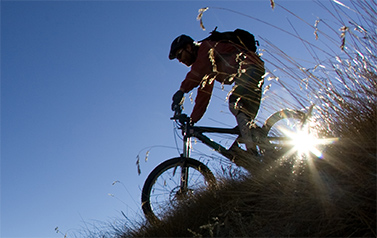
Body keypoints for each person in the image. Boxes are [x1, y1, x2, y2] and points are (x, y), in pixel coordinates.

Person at [169, 34, 265, 154]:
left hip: (251, 67)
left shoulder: (206, 48)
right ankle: (266, 153)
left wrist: (182, 90)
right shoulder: (207, 65)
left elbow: (197, 71)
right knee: (244, 123)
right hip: (250, 72)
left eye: (179, 55)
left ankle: (252, 152)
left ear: (188, 47)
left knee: (235, 103)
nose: (180, 60)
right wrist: (193, 120)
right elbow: (203, 95)